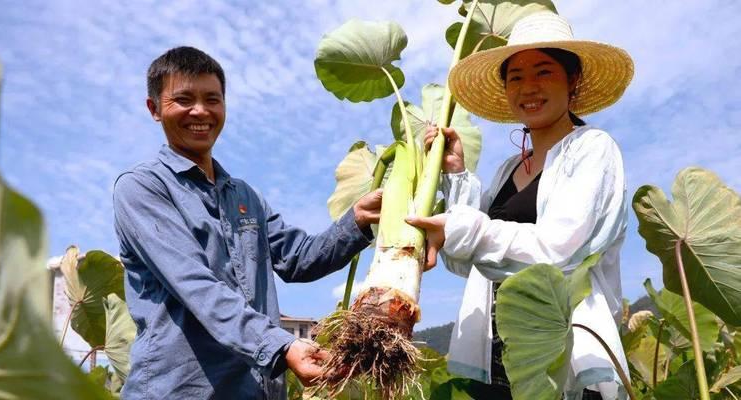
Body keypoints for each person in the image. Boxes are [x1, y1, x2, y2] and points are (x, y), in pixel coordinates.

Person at [112, 46, 381, 399]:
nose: (200, 111)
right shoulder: (142, 188)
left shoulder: (244, 197)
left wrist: (358, 221)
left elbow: (299, 258)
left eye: (212, 99)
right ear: (155, 109)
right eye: (183, 99)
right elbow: (197, 286)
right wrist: (283, 347)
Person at [406, 12, 634, 400]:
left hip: (560, 359)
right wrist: (457, 176)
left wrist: (462, 229)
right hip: (497, 363)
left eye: (544, 72)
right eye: (516, 77)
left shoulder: (593, 149)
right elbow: (468, 261)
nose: (529, 87)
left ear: (572, 79)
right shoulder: (508, 169)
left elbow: (559, 250)